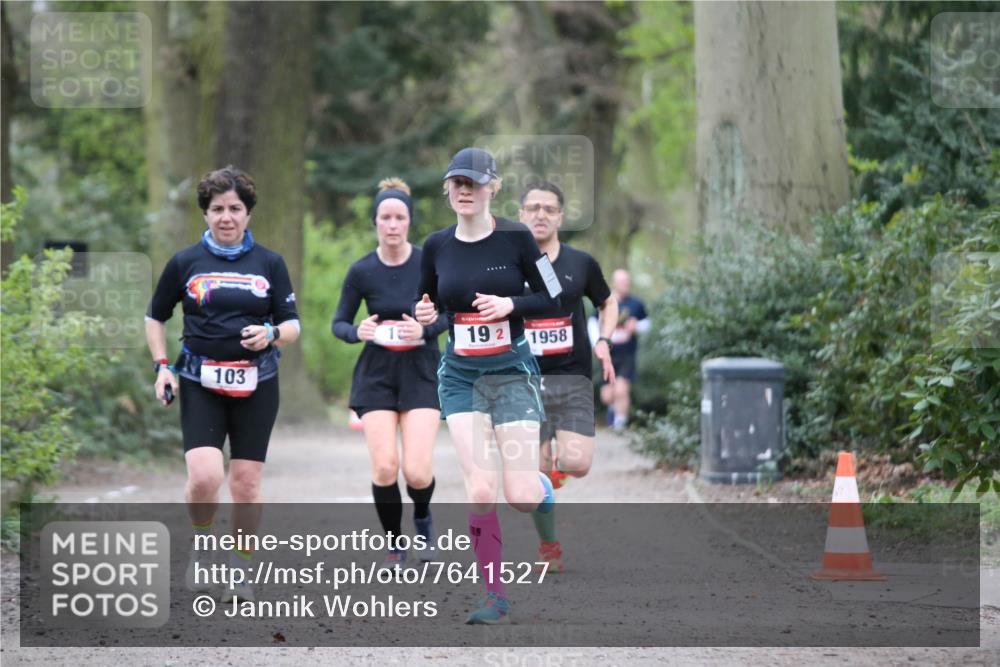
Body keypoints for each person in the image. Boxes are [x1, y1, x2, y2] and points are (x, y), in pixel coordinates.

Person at [414, 147, 561, 625]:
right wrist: (424, 316)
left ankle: (544, 491)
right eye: (457, 183)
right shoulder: (436, 245)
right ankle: (495, 595)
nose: (464, 191)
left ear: (492, 188)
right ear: (447, 189)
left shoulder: (517, 238)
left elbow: (552, 294)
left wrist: (511, 305)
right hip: (460, 375)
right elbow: (431, 308)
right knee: (480, 488)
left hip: (511, 371)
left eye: (474, 183)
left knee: (518, 493)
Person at [145, 165, 300, 604]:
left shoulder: (269, 263)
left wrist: (270, 334)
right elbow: (155, 317)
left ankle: (242, 568)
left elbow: (293, 326)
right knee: (205, 477)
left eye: (235, 208)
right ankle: (203, 545)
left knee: (246, 483)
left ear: (248, 213)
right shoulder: (185, 262)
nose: (226, 217)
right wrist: (162, 366)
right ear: (205, 214)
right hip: (199, 379)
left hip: (258, 382)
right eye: (217, 209)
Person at [332, 177, 446, 569]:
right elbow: (339, 323)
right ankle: (395, 543)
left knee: (416, 470)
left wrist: (426, 329)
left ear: (409, 221)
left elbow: (449, 313)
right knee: (385, 467)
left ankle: (423, 519)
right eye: (385, 217)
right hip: (377, 374)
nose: (393, 225)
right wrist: (357, 331)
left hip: (421, 371)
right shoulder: (361, 270)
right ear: (375, 222)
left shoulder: (428, 264)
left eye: (400, 217)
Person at [518, 181, 618, 572]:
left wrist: (604, 339)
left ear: (560, 216)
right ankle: (549, 546)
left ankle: (553, 480)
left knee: (577, 463)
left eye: (548, 208)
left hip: (572, 377)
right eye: (533, 207)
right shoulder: (508, 266)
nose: (540, 214)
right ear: (521, 214)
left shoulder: (580, 263)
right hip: (524, 381)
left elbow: (607, 302)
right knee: (536, 474)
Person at [597, 269, 649, 430]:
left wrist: (637, 326)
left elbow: (647, 324)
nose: (625, 284)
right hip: (608, 355)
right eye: (622, 281)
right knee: (607, 396)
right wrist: (598, 343)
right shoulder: (605, 302)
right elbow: (593, 323)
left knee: (621, 389)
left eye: (627, 281)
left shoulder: (636, 303)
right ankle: (613, 409)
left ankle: (620, 423)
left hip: (627, 354)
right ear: (614, 283)